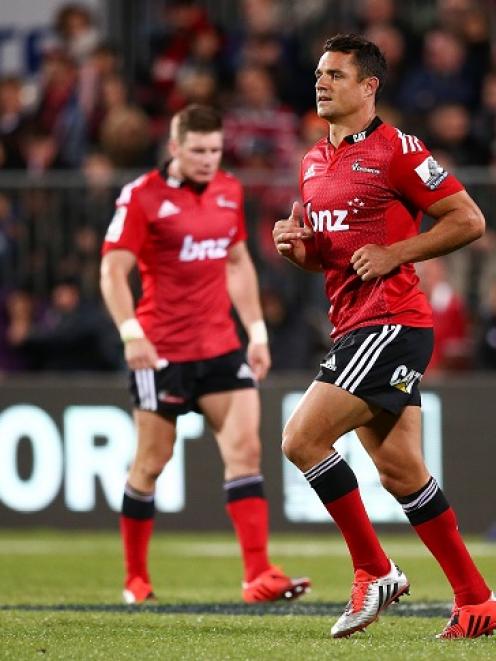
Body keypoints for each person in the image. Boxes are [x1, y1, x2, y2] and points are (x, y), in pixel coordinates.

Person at [272, 33, 495, 639]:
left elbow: (468, 219)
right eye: (319, 73)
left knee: (300, 439)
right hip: (355, 322)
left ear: (369, 87)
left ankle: (374, 569)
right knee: (401, 472)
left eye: (336, 75)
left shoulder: (398, 149)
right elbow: (334, 259)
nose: (321, 83)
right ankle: (477, 599)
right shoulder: (313, 161)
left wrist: (397, 250)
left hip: (392, 322)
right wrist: (301, 252)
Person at [100, 104, 310, 605]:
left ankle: (257, 576)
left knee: (246, 454)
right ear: (174, 148)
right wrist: (132, 334)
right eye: (197, 150)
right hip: (162, 353)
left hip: (220, 346)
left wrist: (256, 332)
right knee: (151, 463)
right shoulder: (142, 197)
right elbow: (112, 271)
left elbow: (237, 262)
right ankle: (135, 580)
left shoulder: (230, 191)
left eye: (215, 150)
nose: (208, 159)